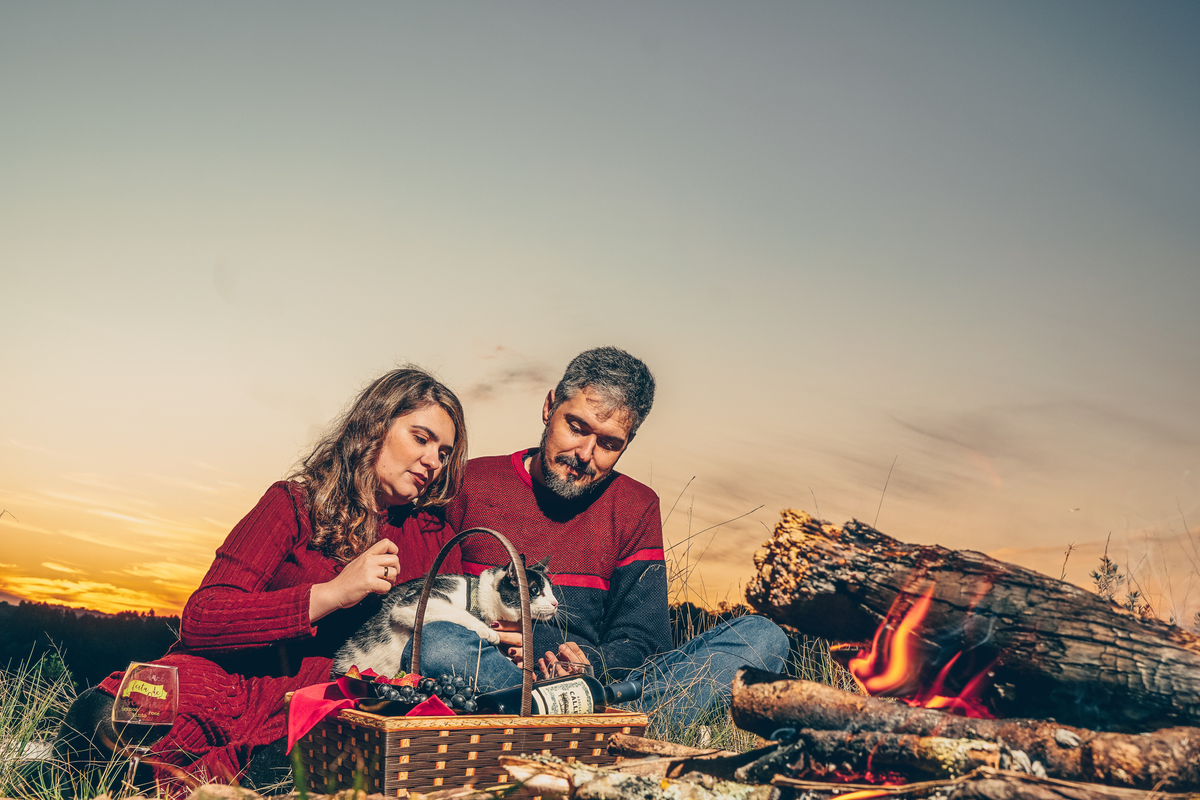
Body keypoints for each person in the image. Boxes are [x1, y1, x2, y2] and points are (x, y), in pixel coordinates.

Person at [53, 367, 469, 792]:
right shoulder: (294, 504)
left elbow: (454, 646)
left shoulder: (437, 543)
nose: (433, 462)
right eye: (421, 438)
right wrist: (330, 594)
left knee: (290, 766)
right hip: (222, 687)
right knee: (96, 723)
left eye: (444, 452)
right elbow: (201, 618)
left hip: (311, 716)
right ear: (375, 427)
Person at [438, 346, 790, 726]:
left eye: (608, 444)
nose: (584, 453)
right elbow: (428, 607)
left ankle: (593, 723)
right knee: (441, 647)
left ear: (628, 442)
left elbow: (644, 644)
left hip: (595, 688)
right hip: (492, 673)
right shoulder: (467, 483)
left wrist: (585, 665)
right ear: (549, 407)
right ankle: (594, 729)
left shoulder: (636, 506)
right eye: (576, 427)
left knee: (763, 638)